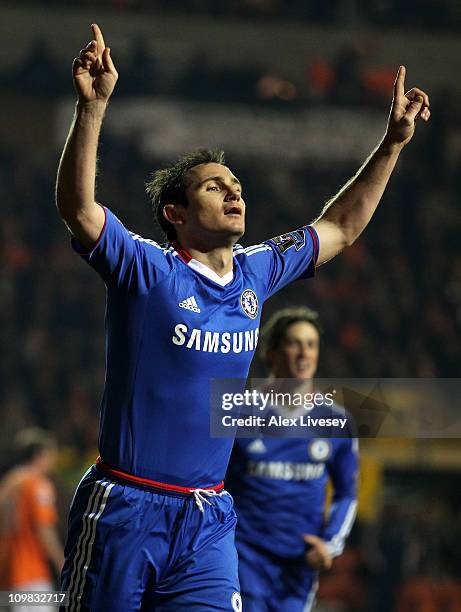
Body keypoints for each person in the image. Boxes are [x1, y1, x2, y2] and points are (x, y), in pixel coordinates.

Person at [55, 22, 429, 611]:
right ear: (176, 213)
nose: (234, 192)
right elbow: (78, 208)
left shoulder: (257, 271)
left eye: (235, 184)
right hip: (126, 507)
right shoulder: (147, 268)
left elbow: (341, 227)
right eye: (213, 186)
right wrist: (93, 108)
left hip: (208, 518)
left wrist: (392, 144)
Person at [226, 307, 359, 611]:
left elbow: (347, 493)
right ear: (271, 353)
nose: (304, 353)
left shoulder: (336, 421)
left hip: (299, 566)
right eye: (294, 343)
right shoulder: (237, 413)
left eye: (311, 344)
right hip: (244, 556)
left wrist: (330, 543)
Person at [0, 429, 64, 611]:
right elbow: (44, 529)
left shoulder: (7, 484)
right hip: (30, 574)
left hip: (5, 575)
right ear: (40, 454)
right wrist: (62, 563)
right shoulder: (38, 484)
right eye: (51, 454)